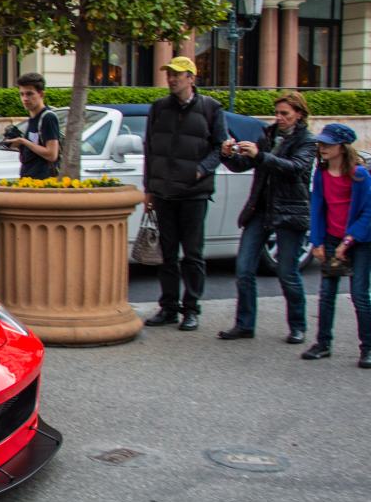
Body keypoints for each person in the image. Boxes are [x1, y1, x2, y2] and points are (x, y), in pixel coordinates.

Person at [216, 93, 316, 343]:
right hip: (260, 209)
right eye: (278, 113)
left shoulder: (307, 141)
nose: (279, 118)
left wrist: (259, 155)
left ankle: (298, 326)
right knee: (244, 269)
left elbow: (294, 169)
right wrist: (228, 154)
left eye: (285, 114)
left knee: (287, 272)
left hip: (290, 211)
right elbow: (243, 165)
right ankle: (244, 324)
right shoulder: (269, 135)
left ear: (299, 114)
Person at [142, 56, 227, 332]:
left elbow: (220, 147)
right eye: (169, 74)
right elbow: (150, 150)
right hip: (164, 191)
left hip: (194, 193)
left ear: (192, 78)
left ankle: (191, 308)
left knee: (192, 255)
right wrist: (149, 189)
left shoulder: (212, 109)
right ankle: (168, 307)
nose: (172, 79)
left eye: (178, 75)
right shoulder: (158, 108)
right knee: (167, 255)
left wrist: (203, 169)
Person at [303, 124, 371, 368]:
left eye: (328, 144)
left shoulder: (359, 175)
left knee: (360, 295)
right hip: (331, 238)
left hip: (359, 241)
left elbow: (367, 213)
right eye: (320, 144)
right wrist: (317, 241)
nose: (322, 148)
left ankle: (367, 348)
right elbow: (318, 209)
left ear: (341, 147)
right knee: (326, 294)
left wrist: (348, 241)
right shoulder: (320, 174)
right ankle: (323, 343)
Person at [3, 72, 60, 179]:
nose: (25, 98)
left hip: (42, 183)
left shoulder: (48, 118)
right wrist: (19, 145)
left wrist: (23, 141)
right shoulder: (33, 118)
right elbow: (35, 150)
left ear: (41, 94)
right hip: (28, 179)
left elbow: (52, 155)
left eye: (29, 94)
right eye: (22, 94)